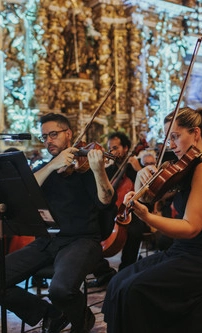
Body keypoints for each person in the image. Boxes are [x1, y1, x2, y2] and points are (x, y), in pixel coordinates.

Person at [102, 106, 202, 333]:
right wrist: (139, 179)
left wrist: (148, 217)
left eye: (175, 137)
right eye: (169, 139)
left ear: (195, 133)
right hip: (184, 252)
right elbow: (147, 196)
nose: (171, 145)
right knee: (119, 283)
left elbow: (191, 227)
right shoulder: (187, 167)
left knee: (134, 290)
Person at [2, 113, 117, 333]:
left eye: (53, 134)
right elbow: (24, 192)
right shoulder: (47, 169)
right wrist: (52, 165)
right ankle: (51, 314)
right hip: (47, 241)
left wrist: (99, 170)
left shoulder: (85, 170)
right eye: (44, 137)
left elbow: (106, 201)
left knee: (60, 290)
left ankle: (81, 318)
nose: (48, 141)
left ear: (68, 134)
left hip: (81, 241)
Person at [106, 132, 150, 271]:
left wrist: (138, 169)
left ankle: (127, 267)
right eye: (110, 148)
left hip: (133, 212)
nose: (112, 151)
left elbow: (149, 190)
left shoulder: (135, 168)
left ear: (125, 148)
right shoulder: (109, 170)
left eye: (115, 147)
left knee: (134, 231)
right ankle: (102, 271)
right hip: (111, 211)